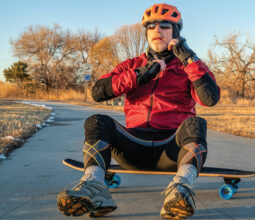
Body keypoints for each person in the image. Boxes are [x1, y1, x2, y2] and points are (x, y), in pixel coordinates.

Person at [57, 3, 220, 219]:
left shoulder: (188, 66)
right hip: (133, 147)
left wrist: (188, 57)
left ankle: (180, 191)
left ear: (176, 32)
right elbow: (98, 91)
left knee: (196, 124)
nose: (157, 31)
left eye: (164, 26)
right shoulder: (132, 65)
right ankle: (94, 187)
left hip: (170, 149)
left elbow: (209, 98)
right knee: (98, 121)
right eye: (151, 27)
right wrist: (139, 75)